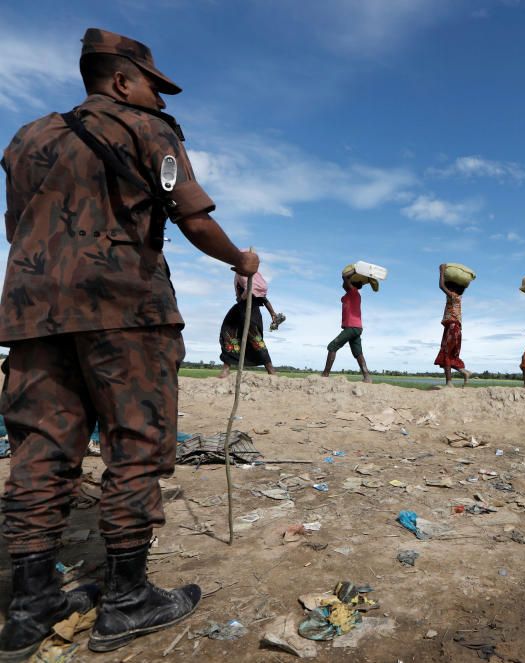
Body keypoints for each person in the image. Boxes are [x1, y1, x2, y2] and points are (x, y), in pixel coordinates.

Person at [0, 28, 258, 658]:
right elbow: (192, 217)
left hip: (32, 312)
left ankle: (30, 605)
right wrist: (242, 258)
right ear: (120, 79)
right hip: (124, 308)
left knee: (40, 448)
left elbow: (16, 227)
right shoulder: (147, 128)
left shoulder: (27, 138)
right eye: (151, 84)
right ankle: (128, 599)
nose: (155, 96)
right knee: (135, 444)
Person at [218, 268, 282, 377]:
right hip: (239, 312)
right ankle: (226, 368)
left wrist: (273, 314)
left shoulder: (251, 281)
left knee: (256, 340)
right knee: (230, 335)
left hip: (251, 313)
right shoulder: (244, 278)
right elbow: (260, 298)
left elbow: (259, 297)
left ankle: (271, 370)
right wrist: (272, 314)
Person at [321, 267, 372, 382]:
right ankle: (367, 377)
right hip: (357, 328)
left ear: (351, 284)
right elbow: (344, 285)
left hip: (352, 327)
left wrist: (355, 270)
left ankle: (325, 374)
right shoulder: (351, 295)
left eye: (346, 283)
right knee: (358, 352)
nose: (343, 285)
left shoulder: (353, 292)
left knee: (332, 346)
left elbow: (345, 278)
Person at [434, 264, 472, 387]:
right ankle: (464, 372)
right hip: (454, 328)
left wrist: (442, 271)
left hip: (452, 328)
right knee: (449, 355)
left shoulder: (454, 297)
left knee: (446, 353)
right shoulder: (458, 297)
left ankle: (449, 383)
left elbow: (441, 286)